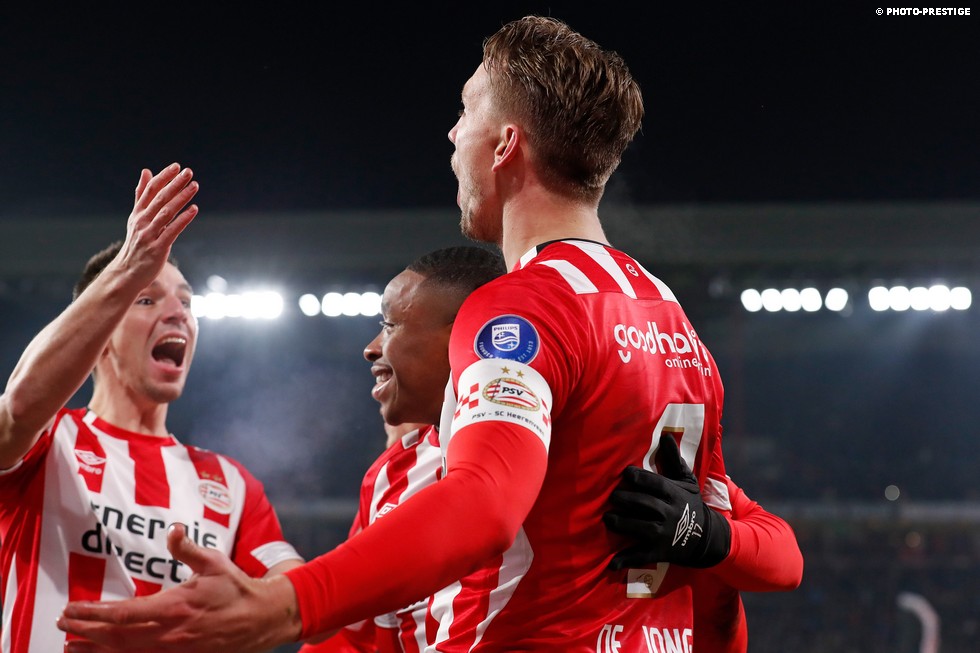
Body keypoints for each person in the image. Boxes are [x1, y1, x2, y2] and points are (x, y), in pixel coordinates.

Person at [58, 17, 800, 652]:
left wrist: (286, 603)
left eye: (465, 110)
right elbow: (742, 554)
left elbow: (485, 503)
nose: (451, 133)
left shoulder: (521, 308)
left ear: (505, 145)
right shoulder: (671, 320)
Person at [304, 246, 801, 653]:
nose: (371, 347)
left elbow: (784, 558)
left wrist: (705, 533)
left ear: (465, 333)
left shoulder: (579, 442)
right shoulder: (390, 476)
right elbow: (357, 638)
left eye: (390, 324)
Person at [0, 164, 302, 653]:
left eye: (186, 302)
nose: (178, 312)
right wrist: (128, 266)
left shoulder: (230, 483)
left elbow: (306, 599)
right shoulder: (47, 441)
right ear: (99, 334)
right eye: (146, 299)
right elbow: (17, 407)